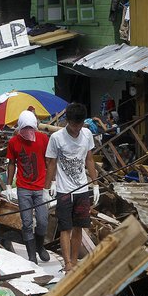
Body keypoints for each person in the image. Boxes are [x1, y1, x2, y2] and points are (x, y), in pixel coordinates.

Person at [44, 103, 100, 273]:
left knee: (79, 227)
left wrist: (95, 183)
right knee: (65, 228)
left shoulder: (87, 134)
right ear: (67, 121)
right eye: (74, 125)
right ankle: (67, 263)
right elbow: (51, 163)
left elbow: (89, 159)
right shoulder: (57, 138)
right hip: (64, 190)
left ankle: (74, 260)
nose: (77, 129)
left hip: (82, 189)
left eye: (80, 124)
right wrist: (48, 187)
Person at [4, 110, 50, 264]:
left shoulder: (43, 139)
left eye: (32, 128)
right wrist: (9, 185)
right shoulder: (14, 142)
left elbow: (50, 162)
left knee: (43, 220)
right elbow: (11, 164)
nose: (29, 132)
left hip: (40, 187)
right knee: (27, 222)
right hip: (23, 187)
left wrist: (52, 183)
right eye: (26, 129)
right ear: (20, 128)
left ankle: (40, 246)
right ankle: (31, 255)